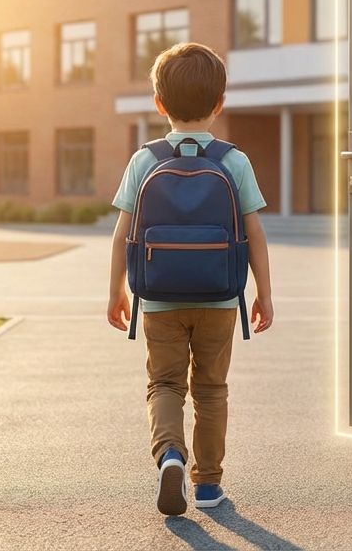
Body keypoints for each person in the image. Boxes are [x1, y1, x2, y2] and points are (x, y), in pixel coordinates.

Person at [106, 41, 274, 516]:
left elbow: (122, 234)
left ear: (159, 104)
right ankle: (207, 486)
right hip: (220, 298)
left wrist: (115, 290)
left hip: (158, 299)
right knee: (211, 390)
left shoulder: (144, 160)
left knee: (164, 385)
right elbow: (255, 233)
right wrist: (264, 293)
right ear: (219, 104)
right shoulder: (233, 161)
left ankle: (171, 456)